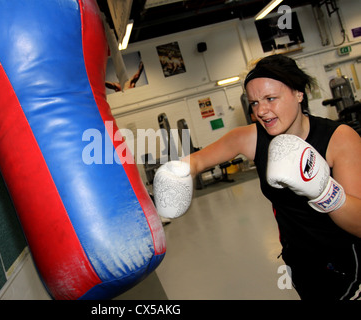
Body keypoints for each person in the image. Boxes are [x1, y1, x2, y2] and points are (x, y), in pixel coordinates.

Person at [153, 54, 361, 300]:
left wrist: (325, 191)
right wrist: (176, 172)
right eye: (254, 103)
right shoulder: (251, 138)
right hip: (299, 262)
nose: (261, 111)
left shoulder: (338, 139)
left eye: (270, 98)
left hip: (346, 260)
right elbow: (197, 161)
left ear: (298, 94)